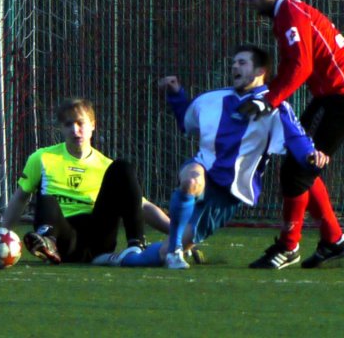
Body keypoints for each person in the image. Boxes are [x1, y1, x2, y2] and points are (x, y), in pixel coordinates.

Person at [109, 44, 328, 269]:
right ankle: (175, 251)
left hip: (230, 194)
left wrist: (311, 156)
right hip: (203, 167)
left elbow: (296, 138)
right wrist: (176, 94)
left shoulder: (275, 107)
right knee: (191, 181)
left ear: (260, 71)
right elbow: (186, 121)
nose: (235, 66)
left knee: (158, 256)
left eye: (242, 62)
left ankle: (124, 256)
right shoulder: (213, 98)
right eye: (233, 63)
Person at [240, 0, 344, 269]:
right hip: (334, 98)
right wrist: (268, 96)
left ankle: (289, 246)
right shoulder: (284, 15)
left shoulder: (290, 13)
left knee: (297, 170)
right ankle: (333, 240)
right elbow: (292, 66)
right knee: (301, 164)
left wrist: (269, 100)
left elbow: (302, 67)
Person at [0, 97, 167, 265]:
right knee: (47, 198)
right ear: (61, 128)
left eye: (80, 123)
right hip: (62, 239)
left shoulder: (106, 166)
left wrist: (177, 234)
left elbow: (142, 205)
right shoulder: (42, 158)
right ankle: (48, 243)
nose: (75, 130)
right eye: (68, 124)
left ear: (93, 125)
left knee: (123, 167)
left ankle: (136, 246)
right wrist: (2, 234)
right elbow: (20, 197)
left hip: (98, 239)